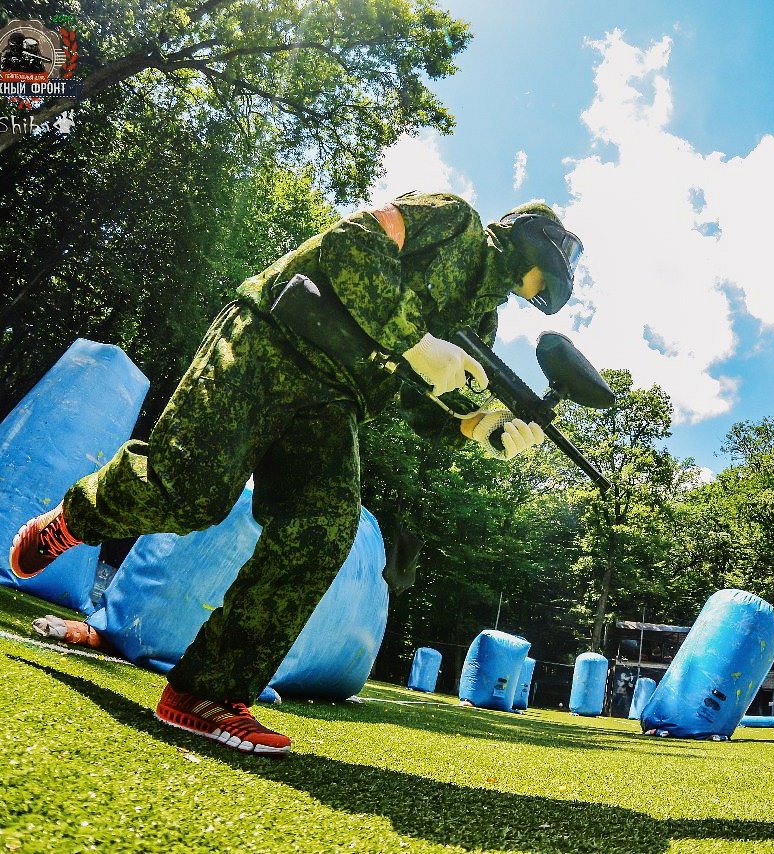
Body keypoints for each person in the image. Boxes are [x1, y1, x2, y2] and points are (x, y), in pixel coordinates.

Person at [9, 192, 583, 755]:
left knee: (323, 531)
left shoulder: (479, 318)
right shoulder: (454, 221)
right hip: (273, 335)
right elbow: (353, 240)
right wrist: (415, 339)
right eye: (542, 279)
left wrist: (481, 426)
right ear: (531, 247)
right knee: (186, 491)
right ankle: (72, 520)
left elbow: (422, 404)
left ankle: (206, 693)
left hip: (334, 398)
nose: (534, 292)